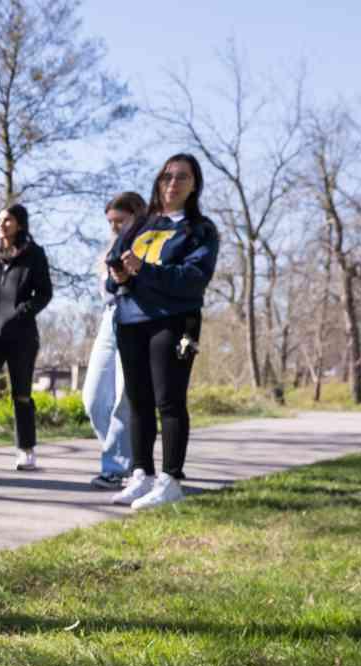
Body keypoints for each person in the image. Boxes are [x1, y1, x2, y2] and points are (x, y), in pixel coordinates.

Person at [106, 153, 219, 510]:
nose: (173, 183)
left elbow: (193, 280)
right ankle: (142, 474)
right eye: (167, 175)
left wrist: (144, 272)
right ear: (158, 180)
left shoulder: (200, 229)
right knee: (138, 402)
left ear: (194, 184)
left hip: (173, 320)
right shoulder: (139, 225)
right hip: (130, 318)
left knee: (168, 400)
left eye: (182, 177)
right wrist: (119, 276)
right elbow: (115, 269)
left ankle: (171, 479)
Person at [0, 204, 53, 471]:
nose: (2, 225)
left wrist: (21, 314)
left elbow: (45, 293)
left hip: (21, 336)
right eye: (0, 220)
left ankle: (26, 451)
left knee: (22, 395)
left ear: (20, 224)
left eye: (8, 220)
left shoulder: (34, 255)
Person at [83, 192, 145, 488]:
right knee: (93, 398)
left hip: (137, 317)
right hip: (110, 318)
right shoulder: (110, 248)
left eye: (120, 221)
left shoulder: (151, 244)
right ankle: (129, 457)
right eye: (111, 223)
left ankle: (116, 468)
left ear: (138, 215)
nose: (115, 228)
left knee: (124, 397)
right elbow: (106, 293)